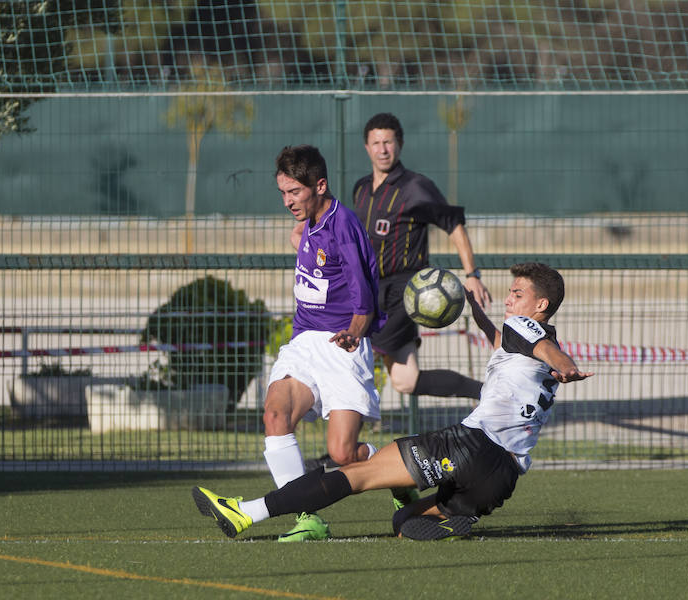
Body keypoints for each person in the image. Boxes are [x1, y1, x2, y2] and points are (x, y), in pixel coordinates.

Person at [192, 263, 594, 541]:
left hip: (471, 446)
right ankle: (457, 520)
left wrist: (567, 366)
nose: (509, 300)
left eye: (517, 294)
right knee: (403, 521)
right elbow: (517, 347)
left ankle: (248, 511)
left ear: (540, 306)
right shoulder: (520, 344)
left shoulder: (526, 328)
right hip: (500, 478)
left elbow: (546, 350)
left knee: (358, 474)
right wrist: (476, 312)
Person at [259, 144, 385, 542]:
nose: (287, 201)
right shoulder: (309, 224)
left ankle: (399, 472)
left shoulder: (342, 223)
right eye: (282, 193)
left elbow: (364, 293)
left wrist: (355, 330)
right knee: (275, 417)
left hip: (341, 343)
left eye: (294, 192)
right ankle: (307, 517)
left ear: (320, 185)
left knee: (343, 455)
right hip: (304, 342)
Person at [351, 112, 492, 401]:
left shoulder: (415, 187)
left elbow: (453, 225)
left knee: (356, 349)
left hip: (405, 291)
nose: (382, 149)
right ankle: (491, 393)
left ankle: (346, 440)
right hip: (370, 290)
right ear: (366, 147)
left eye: (388, 142)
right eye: (376, 142)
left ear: (399, 144)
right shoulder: (361, 188)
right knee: (406, 380)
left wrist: (472, 275)